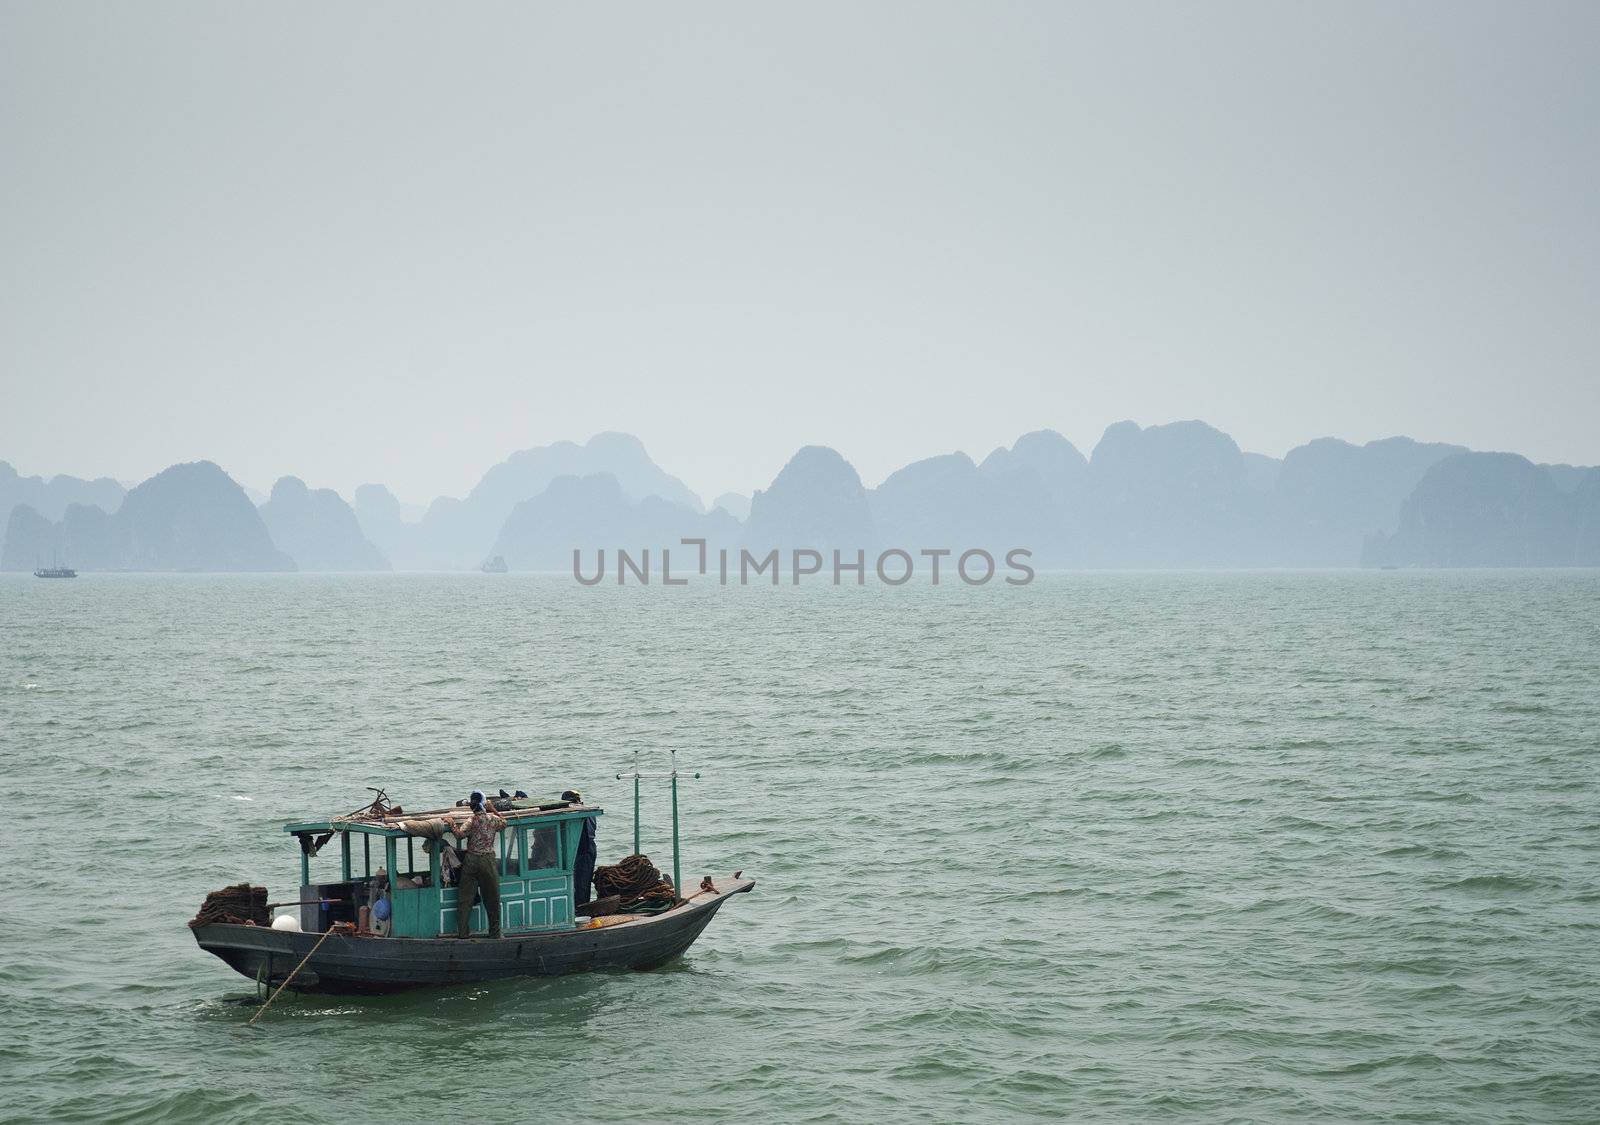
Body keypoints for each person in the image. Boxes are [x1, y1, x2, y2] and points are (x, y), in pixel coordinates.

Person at [450, 790, 506, 938]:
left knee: (465, 898)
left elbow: (459, 835)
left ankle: (463, 934)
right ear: (484, 804)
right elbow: (504, 823)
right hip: (487, 860)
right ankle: (495, 933)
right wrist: (493, 808)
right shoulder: (492, 819)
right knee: (492, 898)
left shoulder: (471, 821)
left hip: (471, 860)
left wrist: (451, 824)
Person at [563, 789, 597, 907]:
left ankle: (580, 908)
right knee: (583, 881)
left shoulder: (576, 812)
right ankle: (581, 905)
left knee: (581, 882)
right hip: (588, 847)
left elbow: (584, 835)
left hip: (584, 848)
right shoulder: (587, 809)